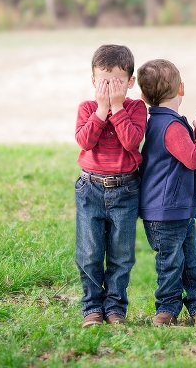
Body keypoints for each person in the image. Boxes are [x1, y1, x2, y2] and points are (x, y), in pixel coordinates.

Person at [137, 59, 196, 326]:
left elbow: (178, 153)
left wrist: (193, 129)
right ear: (181, 88)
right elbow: (193, 158)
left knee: (189, 260)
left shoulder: (161, 122)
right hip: (167, 212)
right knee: (172, 264)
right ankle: (168, 308)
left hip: (173, 210)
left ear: (144, 96)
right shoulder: (170, 126)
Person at [74, 44, 146, 327]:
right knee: (90, 252)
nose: (107, 87)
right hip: (89, 188)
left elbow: (131, 142)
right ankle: (92, 307)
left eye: (115, 82)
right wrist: (102, 109)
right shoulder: (88, 108)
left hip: (125, 190)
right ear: (93, 81)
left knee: (121, 254)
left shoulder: (136, 108)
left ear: (130, 83)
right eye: (102, 81)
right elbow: (84, 142)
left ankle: (115, 307)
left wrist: (117, 107)